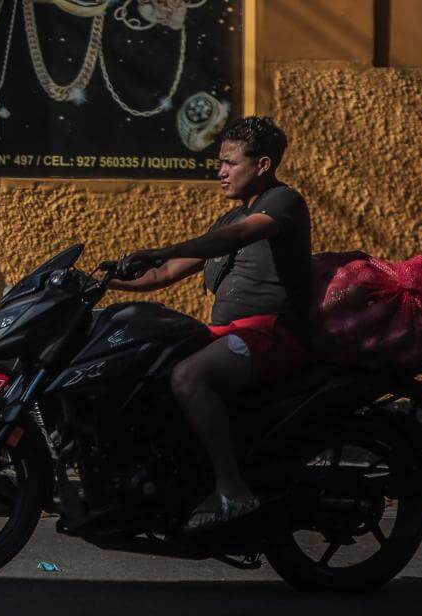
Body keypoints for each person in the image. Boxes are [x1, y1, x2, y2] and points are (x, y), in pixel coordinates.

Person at [115, 115, 312, 532]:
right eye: (219, 162)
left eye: (230, 162)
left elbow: (237, 238)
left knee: (188, 376)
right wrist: (100, 281)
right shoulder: (227, 220)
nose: (220, 171)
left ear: (262, 165)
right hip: (230, 336)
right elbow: (165, 274)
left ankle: (232, 489)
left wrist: (162, 247)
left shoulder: (282, 202)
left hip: (270, 335)